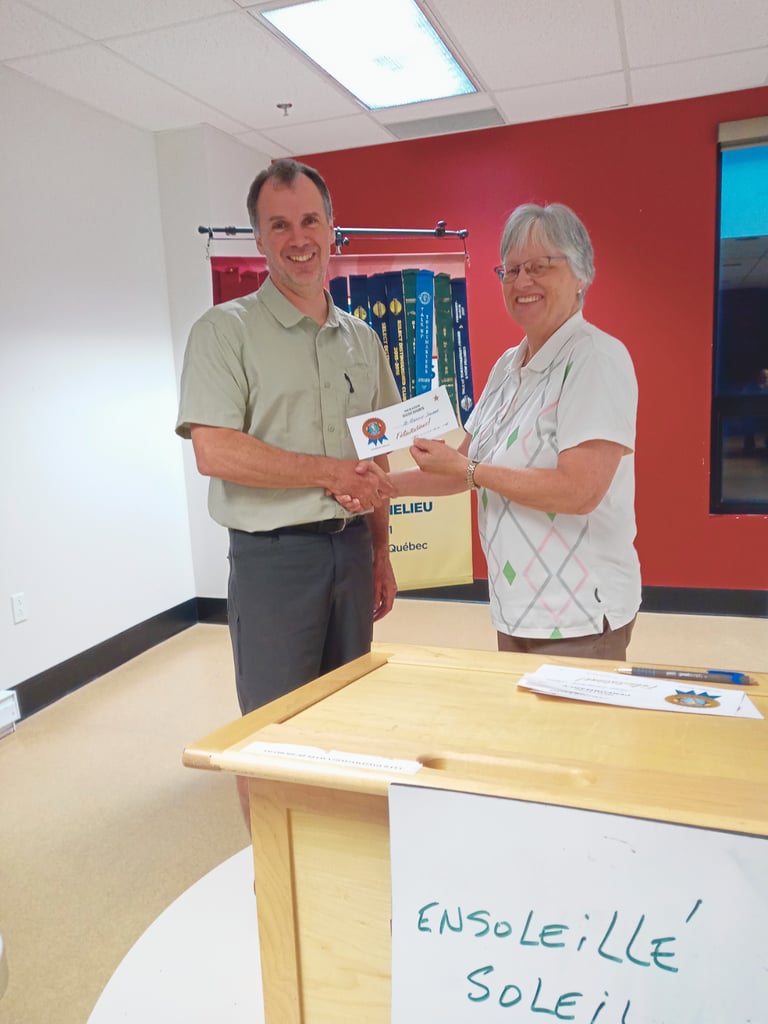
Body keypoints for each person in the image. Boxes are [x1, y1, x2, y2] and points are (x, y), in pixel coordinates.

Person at [176, 159, 401, 812]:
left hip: (351, 552)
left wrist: (380, 550)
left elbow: (377, 455)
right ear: (258, 237)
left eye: (309, 220)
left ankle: (338, 847)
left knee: (347, 714)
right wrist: (327, 472)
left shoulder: (362, 340)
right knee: (272, 730)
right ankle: (276, 865)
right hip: (274, 561)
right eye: (279, 225)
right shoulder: (224, 332)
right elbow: (215, 451)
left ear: (332, 228)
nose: (298, 238)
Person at [387, 202, 641, 660]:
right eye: (512, 269)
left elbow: (579, 491)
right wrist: (382, 485)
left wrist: (471, 471)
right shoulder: (508, 365)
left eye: (540, 266)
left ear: (580, 275)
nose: (523, 282)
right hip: (515, 608)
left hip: (579, 614)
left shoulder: (596, 359)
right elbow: (460, 468)